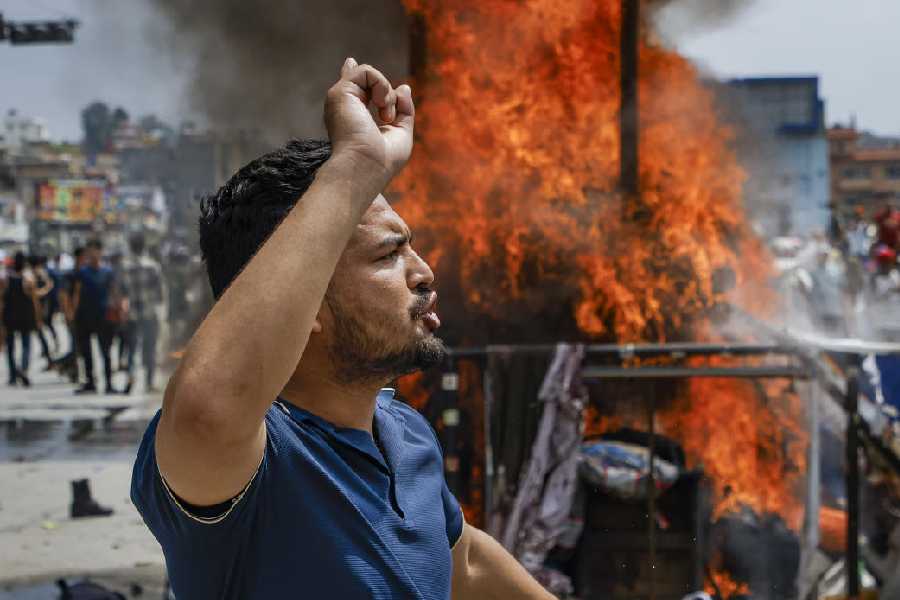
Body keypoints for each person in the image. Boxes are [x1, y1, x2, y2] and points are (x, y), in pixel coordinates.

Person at [131, 59, 555, 599]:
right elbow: (205, 411)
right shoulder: (255, 462)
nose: (423, 272)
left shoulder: (404, 432)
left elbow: (462, 561)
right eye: (389, 253)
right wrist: (355, 164)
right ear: (305, 302)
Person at [119, 233, 164, 394]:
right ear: (143, 246)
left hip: (132, 314)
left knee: (132, 348)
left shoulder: (125, 267)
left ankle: (131, 376)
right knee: (150, 348)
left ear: (130, 246)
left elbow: (122, 292)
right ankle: (149, 382)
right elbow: (159, 295)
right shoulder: (152, 266)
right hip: (149, 313)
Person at [71, 239, 118, 394]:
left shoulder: (108, 272)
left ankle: (109, 383)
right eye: (89, 252)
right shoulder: (82, 272)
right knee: (86, 352)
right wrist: (72, 315)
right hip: (84, 317)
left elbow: (113, 292)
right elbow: (76, 294)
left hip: (103, 317)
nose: (92, 255)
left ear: (100, 253)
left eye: (95, 251)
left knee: (106, 352)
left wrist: (117, 310)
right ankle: (90, 382)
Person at [2, 252, 37, 386]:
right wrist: (37, 317)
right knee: (26, 345)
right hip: (25, 316)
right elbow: (34, 299)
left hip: (9, 316)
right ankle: (23, 369)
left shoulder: (6, 278)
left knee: (10, 347)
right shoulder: (28, 278)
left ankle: (12, 375)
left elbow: (1, 300)